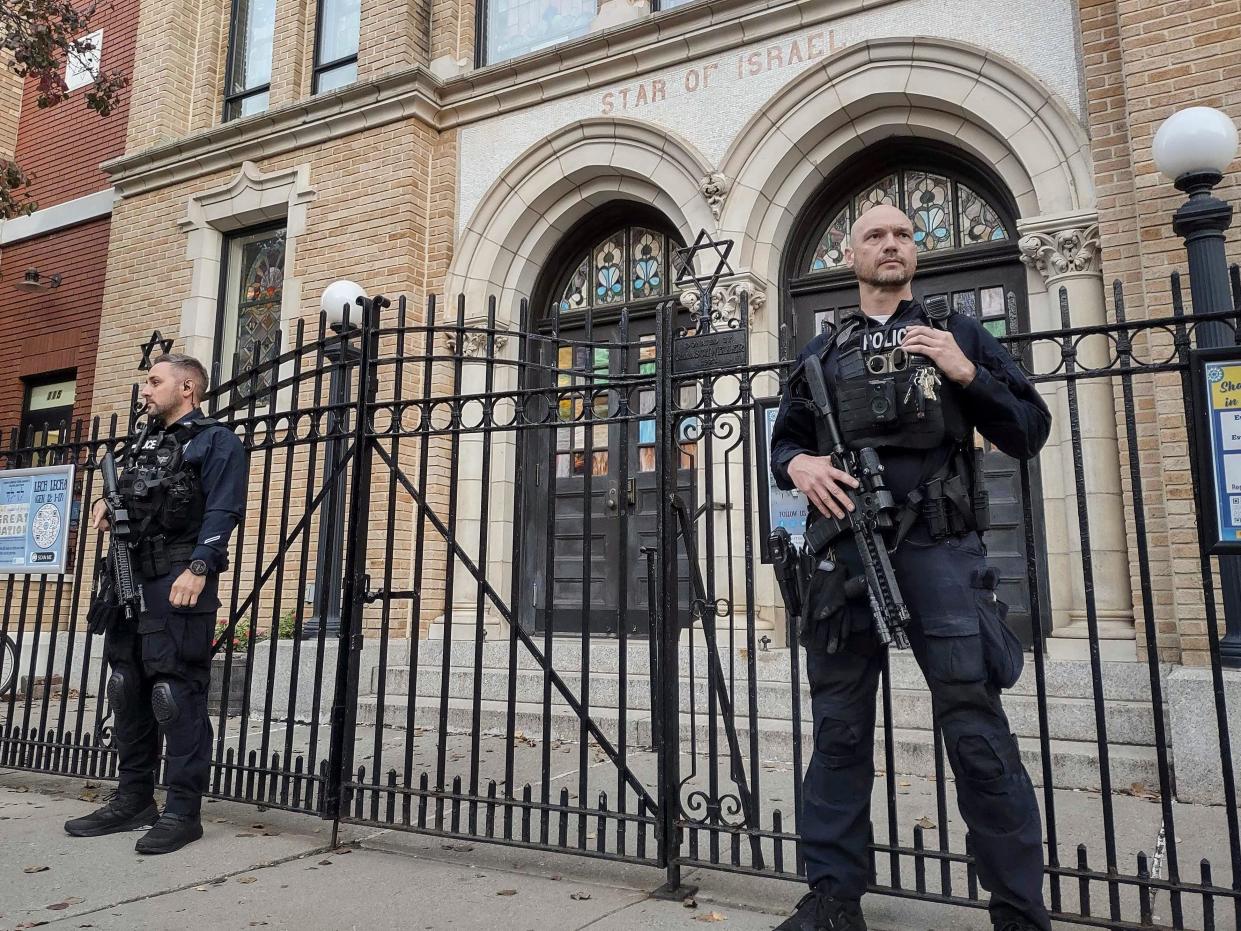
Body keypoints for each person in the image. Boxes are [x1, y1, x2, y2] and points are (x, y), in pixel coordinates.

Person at [769, 205, 1053, 931]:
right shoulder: (819, 354)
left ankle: (1019, 909)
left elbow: (1026, 431)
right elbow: (784, 446)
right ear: (849, 252)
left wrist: (967, 375)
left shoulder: (957, 333)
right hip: (843, 555)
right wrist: (798, 462)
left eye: (901, 235)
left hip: (938, 550)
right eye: (874, 235)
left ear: (914, 253)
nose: (889, 244)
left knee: (974, 727)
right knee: (837, 730)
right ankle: (832, 898)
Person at [65, 353, 246, 854]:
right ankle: (134, 799)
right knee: (125, 686)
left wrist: (200, 567)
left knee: (174, 692)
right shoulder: (142, 445)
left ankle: (183, 812)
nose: (145, 390)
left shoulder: (217, 441)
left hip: (178, 575)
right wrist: (103, 504)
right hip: (127, 576)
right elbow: (125, 501)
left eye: (154, 381)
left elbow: (224, 508)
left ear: (188, 387)